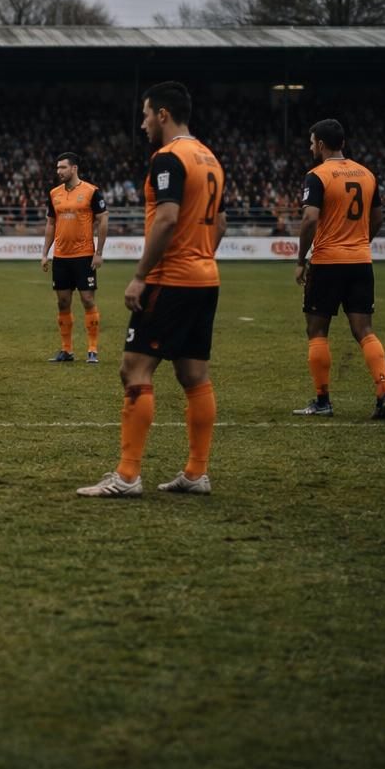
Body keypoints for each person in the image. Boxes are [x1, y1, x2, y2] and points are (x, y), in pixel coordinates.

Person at [78, 81, 224, 498]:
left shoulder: (168, 157)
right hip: (204, 278)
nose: (141, 123)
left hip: (170, 279)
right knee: (194, 375)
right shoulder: (209, 158)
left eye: (145, 114)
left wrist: (141, 274)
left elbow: (167, 218)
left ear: (163, 114)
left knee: (134, 369)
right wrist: (201, 256)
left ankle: (127, 477)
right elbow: (223, 221)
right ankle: (196, 473)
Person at [291, 119, 385, 419]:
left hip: (327, 263)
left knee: (317, 330)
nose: (311, 147)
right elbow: (378, 218)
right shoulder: (366, 174)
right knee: (364, 330)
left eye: (312, 142)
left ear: (321, 144)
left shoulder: (317, 175)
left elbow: (310, 219)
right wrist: (362, 241)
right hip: (361, 262)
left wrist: (300, 260)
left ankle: (322, 401)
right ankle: (383, 392)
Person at [41, 152, 109, 364]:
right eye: (57, 168)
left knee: (88, 300)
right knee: (62, 302)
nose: (58, 171)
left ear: (74, 168)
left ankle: (92, 349)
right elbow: (51, 224)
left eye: (62, 167)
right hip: (61, 257)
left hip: (84, 255)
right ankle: (66, 350)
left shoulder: (91, 192)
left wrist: (99, 252)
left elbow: (103, 219)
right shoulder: (54, 194)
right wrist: (45, 253)